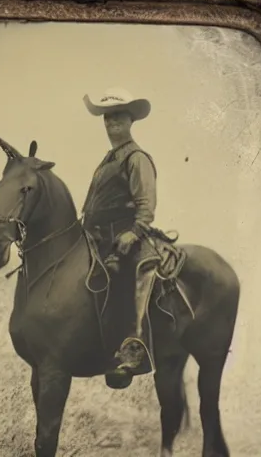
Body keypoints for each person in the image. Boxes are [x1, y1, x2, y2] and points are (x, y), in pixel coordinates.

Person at [81, 87, 162, 375]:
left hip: (125, 237)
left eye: (118, 117)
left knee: (127, 282)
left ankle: (133, 352)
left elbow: (146, 203)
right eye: (107, 118)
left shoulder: (136, 158)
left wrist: (135, 232)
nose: (111, 122)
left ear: (130, 121)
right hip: (98, 237)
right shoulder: (108, 160)